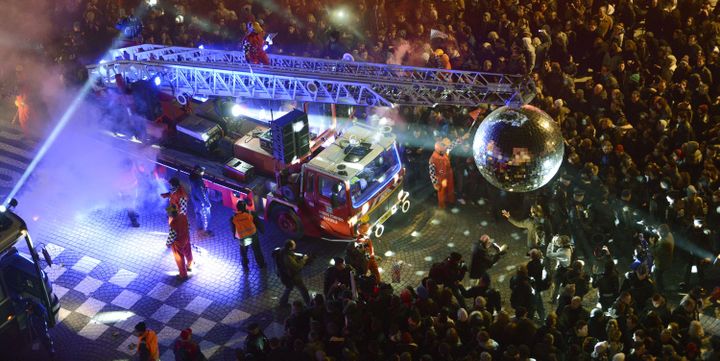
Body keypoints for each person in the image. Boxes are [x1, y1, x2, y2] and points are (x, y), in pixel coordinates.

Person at [231, 200, 265, 271]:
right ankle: (261, 264)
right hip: (253, 235)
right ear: (245, 207)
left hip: (243, 237)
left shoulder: (234, 217)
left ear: (237, 208)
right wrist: (262, 230)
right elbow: (258, 223)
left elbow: (233, 228)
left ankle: (245, 266)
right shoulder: (251, 213)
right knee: (257, 250)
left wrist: (234, 236)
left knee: (244, 252)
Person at [276, 239, 312, 306]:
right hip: (293, 277)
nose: (295, 244)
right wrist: (303, 260)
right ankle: (308, 303)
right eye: (294, 244)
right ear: (290, 247)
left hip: (285, 276)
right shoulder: (288, 257)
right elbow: (297, 267)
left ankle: (283, 302)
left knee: (289, 288)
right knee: (303, 290)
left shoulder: (283, 250)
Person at [166, 205, 193, 280]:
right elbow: (189, 226)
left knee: (179, 258)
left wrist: (168, 243)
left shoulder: (173, 223)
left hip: (178, 242)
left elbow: (172, 236)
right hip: (186, 237)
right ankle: (190, 265)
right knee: (188, 252)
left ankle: (183, 274)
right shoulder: (183, 216)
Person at [429, 139, 455, 209]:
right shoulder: (433, 159)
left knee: (450, 188)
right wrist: (435, 183)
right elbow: (432, 173)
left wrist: (462, 139)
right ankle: (442, 205)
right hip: (441, 178)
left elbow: (451, 146)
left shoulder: (444, 152)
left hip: (448, 174)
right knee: (441, 192)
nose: (444, 149)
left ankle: (450, 200)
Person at [546, 235, 573, 301]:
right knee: (560, 285)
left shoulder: (563, 253)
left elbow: (549, 254)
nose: (557, 242)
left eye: (559, 241)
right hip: (564, 267)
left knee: (556, 284)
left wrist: (551, 243)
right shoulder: (568, 248)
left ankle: (554, 299)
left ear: (563, 243)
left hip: (562, 270)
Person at [189, 165, 212, 237]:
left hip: (196, 200)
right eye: (202, 172)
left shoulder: (192, 178)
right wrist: (207, 204)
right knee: (206, 216)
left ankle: (200, 228)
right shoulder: (198, 183)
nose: (203, 173)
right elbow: (201, 193)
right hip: (202, 203)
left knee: (198, 214)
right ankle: (206, 231)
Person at [650, 224, 674, 292]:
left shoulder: (664, 242)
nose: (657, 232)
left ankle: (659, 290)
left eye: (659, 231)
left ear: (662, 233)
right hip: (667, 260)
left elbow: (655, 252)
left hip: (661, 263)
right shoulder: (669, 235)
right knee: (659, 276)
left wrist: (652, 243)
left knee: (657, 277)